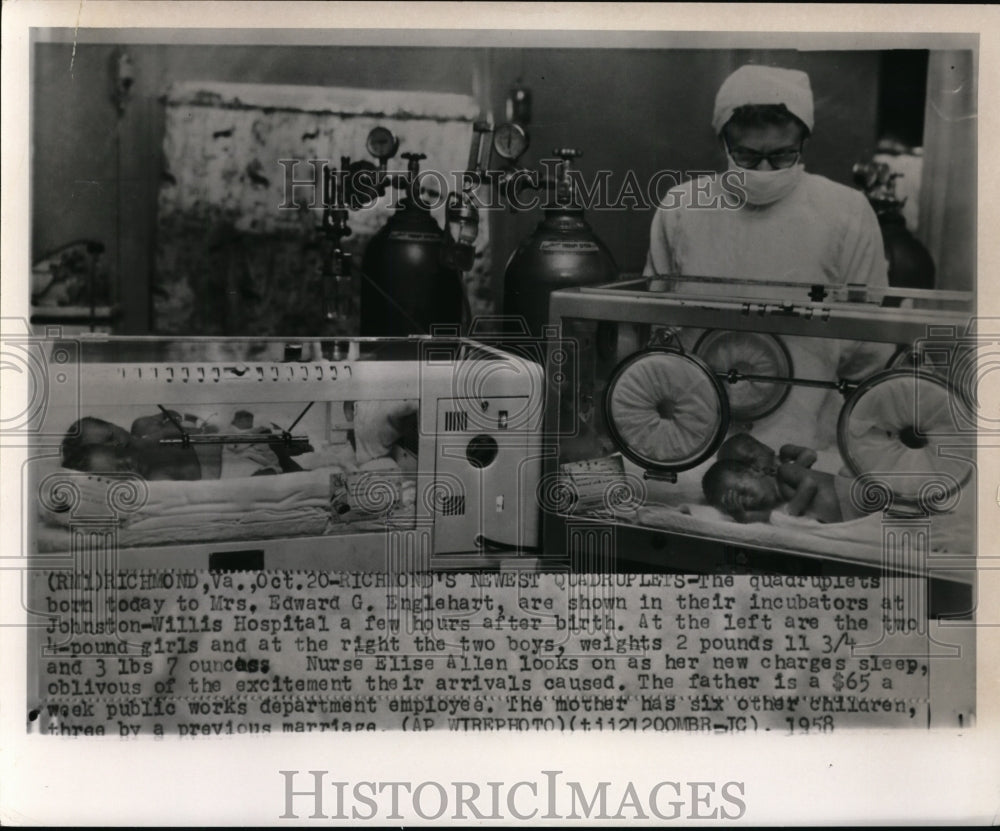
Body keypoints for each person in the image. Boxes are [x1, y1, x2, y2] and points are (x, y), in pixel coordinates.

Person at [644, 64, 894, 450]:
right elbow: (658, 328)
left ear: (804, 145)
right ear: (722, 144)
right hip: (693, 428)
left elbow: (867, 345)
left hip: (808, 436)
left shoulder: (846, 210)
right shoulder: (683, 207)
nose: (763, 170)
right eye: (746, 156)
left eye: (781, 156)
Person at [702, 433, 865, 524]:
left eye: (744, 492)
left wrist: (791, 512)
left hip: (850, 496)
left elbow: (809, 484)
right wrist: (742, 515)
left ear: (755, 471)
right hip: (848, 515)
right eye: (745, 504)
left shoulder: (784, 471)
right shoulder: (775, 504)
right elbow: (771, 518)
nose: (749, 502)